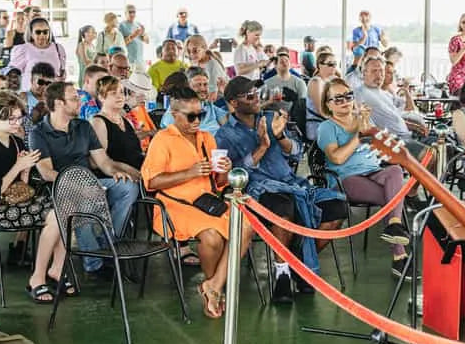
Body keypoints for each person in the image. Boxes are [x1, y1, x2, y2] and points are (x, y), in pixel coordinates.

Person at [216, 77, 347, 302]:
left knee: (337, 207)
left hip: (290, 182)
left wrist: (279, 136)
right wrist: (263, 146)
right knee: (282, 206)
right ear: (233, 103)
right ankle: (283, 275)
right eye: (249, 96)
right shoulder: (224, 135)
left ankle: (299, 264)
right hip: (256, 190)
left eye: (256, 93)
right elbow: (233, 174)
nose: (256, 98)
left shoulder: (271, 118)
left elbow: (296, 152)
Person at [141, 87, 252, 319]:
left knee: (246, 227)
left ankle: (213, 285)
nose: (197, 121)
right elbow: (151, 182)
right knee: (211, 237)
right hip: (174, 204)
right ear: (174, 114)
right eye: (191, 116)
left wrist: (225, 170)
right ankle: (214, 289)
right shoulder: (162, 139)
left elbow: (219, 183)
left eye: (200, 115)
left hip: (206, 202)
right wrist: (188, 173)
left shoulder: (206, 138)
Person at [0, 91, 67, 302]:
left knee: (66, 208)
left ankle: (56, 268)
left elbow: (22, 188)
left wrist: (26, 170)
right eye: (10, 118)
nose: (16, 122)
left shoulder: (16, 142)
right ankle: (38, 278)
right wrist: (18, 166)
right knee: (57, 216)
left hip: (15, 203)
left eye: (18, 117)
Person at [29, 82, 140, 275]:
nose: (80, 101)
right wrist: (77, 184)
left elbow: (102, 160)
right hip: (59, 186)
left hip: (90, 181)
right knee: (81, 197)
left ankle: (109, 240)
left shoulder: (83, 126)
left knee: (128, 187)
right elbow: (46, 172)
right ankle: (94, 262)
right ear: (59, 103)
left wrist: (114, 172)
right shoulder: (38, 133)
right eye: (74, 98)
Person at [317, 78, 410, 275]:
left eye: (348, 96)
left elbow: (380, 145)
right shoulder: (326, 127)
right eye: (338, 98)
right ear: (328, 104)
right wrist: (358, 136)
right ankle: (399, 256)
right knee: (392, 197)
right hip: (346, 178)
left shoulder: (362, 119)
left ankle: (394, 225)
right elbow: (337, 158)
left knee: (395, 171)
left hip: (374, 170)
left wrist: (367, 123)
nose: (345, 101)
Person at [161, 67, 227, 134]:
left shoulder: (208, 106)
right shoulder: (176, 111)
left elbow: (230, 124)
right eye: (198, 85)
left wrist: (225, 93)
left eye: (205, 84)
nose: (202, 89)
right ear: (187, 87)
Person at [8, 17, 66, 92]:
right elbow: (13, 74)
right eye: (38, 32)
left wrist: (62, 77)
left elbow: (62, 70)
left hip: (53, 94)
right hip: (30, 94)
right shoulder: (23, 49)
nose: (42, 35)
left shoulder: (58, 48)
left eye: (45, 32)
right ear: (31, 33)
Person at [306, 51, 338, 141]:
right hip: (317, 125)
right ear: (320, 65)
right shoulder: (316, 82)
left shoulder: (332, 80)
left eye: (335, 64)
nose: (334, 67)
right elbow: (322, 111)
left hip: (328, 122)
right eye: (330, 64)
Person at [187, 34, 227, 101]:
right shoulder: (196, 62)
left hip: (218, 101)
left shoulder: (213, 65)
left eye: (195, 51)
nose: (191, 55)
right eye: (189, 51)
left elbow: (213, 95)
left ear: (204, 48)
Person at [119, 4, 149, 69]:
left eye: (134, 12)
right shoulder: (121, 25)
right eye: (130, 12)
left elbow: (147, 41)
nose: (132, 14)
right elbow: (121, 44)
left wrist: (144, 34)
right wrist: (134, 35)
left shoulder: (138, 24)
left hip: (140, 60)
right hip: (129, 61)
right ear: (125, 13)